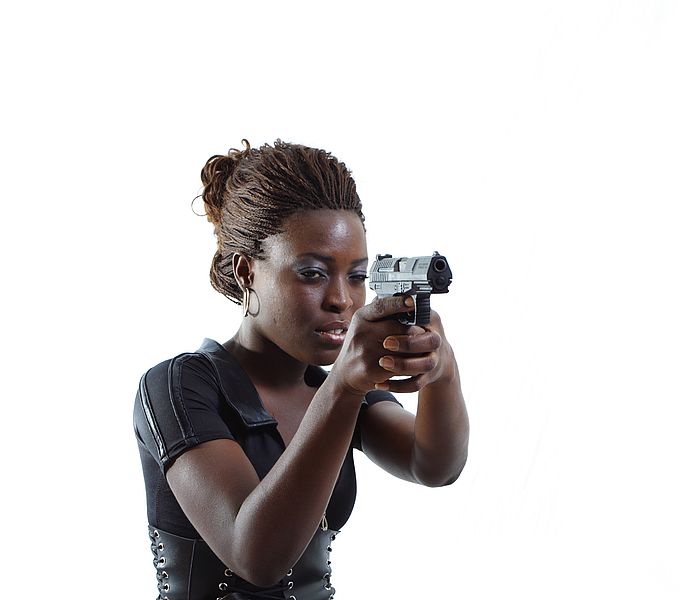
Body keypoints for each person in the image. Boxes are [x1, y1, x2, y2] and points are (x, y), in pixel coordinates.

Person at [133, 139, 469, 600]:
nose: (342, 300)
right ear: (247, 272)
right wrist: (345, 389)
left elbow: (432, 465)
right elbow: (256, 557)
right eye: (312, 273)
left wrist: (442, 370)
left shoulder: (332, 385)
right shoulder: (178, 385)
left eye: (356, 276)